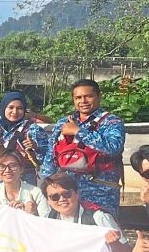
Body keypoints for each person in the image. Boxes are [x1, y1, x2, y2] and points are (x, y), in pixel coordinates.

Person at [41, 78, 126, 215]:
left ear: (99, 96)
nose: (83, 101)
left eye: (88, 96)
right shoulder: (64, 122)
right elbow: (51, 154)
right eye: (78, 97)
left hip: (101, 190)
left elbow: (113, 147)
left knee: (103, 229)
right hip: (67, 190)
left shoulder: (112, 122)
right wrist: (47, 184)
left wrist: (78, 132)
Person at [41, 170, 130, 252]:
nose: (61, 199)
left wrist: (115, 244)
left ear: (77, 194)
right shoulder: (50, 220)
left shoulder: (99, 217)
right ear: (48, 201)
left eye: (67, 194)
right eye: (54, 197)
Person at [0, 91, 47, 185]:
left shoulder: (33, 129)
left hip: (23, 183)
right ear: (3, 108)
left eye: (20, 108)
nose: (15, 112)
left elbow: (44, 158)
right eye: (10, 107)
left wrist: (35, 148)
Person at [0, 151, 50, 216]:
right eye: (1, 166)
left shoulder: (35, 192)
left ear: (21, 168)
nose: (7, 170)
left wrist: (33, 214)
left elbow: (47, 223)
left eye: (12, 166)